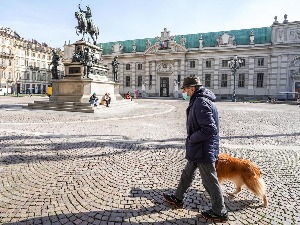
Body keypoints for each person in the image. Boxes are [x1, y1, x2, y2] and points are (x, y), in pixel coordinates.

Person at [163, 76, 228, 223]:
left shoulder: (200, 102)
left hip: (202, 148)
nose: (184, 92)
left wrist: (192, 139)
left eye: (185, 89)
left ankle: (220, 211)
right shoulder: (198, 100)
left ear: (192, 88)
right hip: (198, 147)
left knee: (210, 181)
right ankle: (178, 198)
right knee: (187, 174)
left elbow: (210, 129)